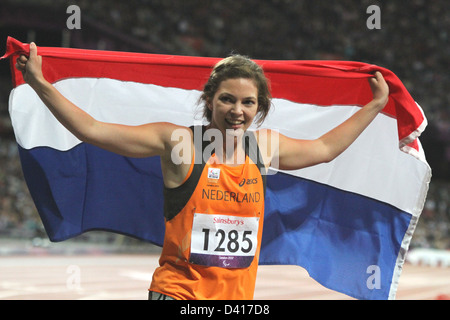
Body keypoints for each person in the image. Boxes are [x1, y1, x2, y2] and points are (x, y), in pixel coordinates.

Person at [15, 42, 389, 300]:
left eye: (248, 102)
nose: (237, 110)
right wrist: (40, 83)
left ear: (258, 108)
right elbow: (92, 130)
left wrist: (375, 106)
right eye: (227, 98)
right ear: (209, 100)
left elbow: (324, 149)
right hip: (179, 293)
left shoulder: (263, 148)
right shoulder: (178, 143)